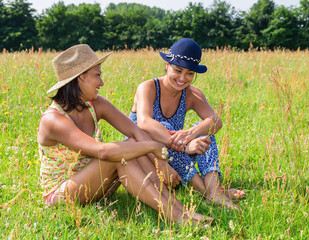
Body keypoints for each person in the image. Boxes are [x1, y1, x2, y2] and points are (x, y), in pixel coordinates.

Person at [37, 44, 212, 224]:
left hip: (96, 185)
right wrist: (153, 147)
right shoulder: (53, 120)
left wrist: (160, 162)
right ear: (81, 77)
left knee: (130, 144)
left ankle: (180, 209)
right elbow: (102, 152)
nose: (101, 82)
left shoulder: (95, 105)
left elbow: (136, 130)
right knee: (121, 154)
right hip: (61, 194)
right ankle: (174, 215)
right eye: (97, 75)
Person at [129, 38, 245, 209]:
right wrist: (184, 145)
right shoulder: (147, 87)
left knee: (205, 131)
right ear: (167, 65)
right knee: (166, 127)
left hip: (172, 155)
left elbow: (216, 121)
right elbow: (145, 123)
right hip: (145, 155)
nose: (183, 78)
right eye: (178, 70)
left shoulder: (191, 94)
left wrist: (192, 133)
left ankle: (214, 192)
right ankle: (209, 192)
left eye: (190, 73)